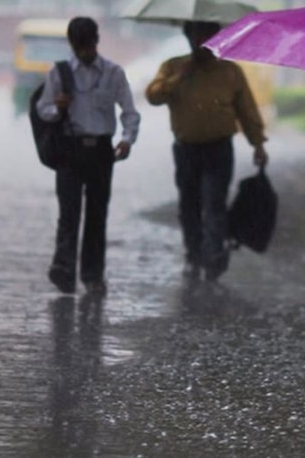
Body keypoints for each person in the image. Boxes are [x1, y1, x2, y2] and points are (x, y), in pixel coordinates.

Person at [145, 20, 268, 282]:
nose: (202, 42)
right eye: (196, 36)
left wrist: (257, 144)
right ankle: (193, 253)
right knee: (189, 205)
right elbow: (153, 96)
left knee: (214, 203)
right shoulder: (173, 66)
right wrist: (179, 77)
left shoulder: (230, 71)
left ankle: (213, 257)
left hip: (219, 148)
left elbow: (246, 110)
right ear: (188, 37)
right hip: (186, 148)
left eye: (208, 36)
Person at [36, 17, 140, 295]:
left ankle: (93, 275)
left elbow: (129, 111)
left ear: (96, 41)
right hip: (70, 150)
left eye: (88, 45)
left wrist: (127, 139)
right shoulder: (59, 73)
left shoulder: (113, 73)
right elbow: (42, 109)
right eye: (79, 46)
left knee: (97, 214)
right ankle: (64, 269)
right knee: (68, 214)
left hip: (102, 152)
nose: (84, 52)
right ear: (72, 44)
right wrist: (57, 108)